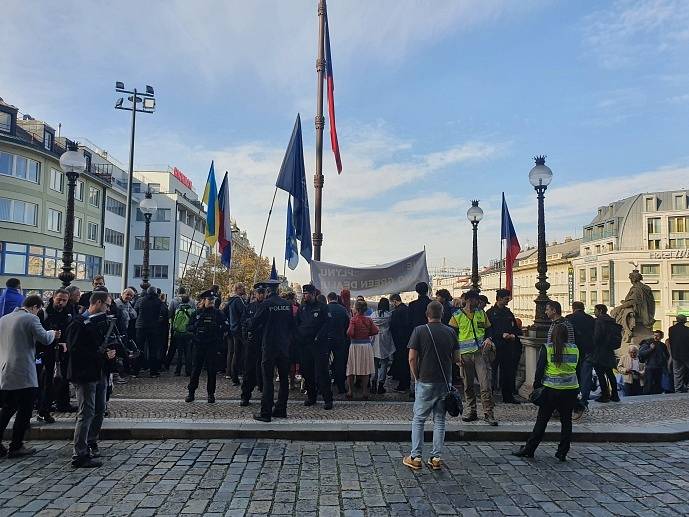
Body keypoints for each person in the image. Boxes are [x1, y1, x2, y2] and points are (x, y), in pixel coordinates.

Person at [402, 301, 458, 471]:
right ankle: (436, 458)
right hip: (444, 381)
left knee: (419, 419)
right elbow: (456, 359)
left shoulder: (419, 330)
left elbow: (412, 358)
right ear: (442, 314)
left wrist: (416, 376)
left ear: (427, 314)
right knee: (439, 419)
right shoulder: (451, 331)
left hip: (425, 380)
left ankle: (416, 456)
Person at [0, 295, 58, 458]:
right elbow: (45, 339)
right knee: (25, 410)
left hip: (5, 369)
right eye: (38, 310)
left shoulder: (4, 319)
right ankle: (16, 445)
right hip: (23, 370)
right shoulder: (31, 319)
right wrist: (53, 332)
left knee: (7, 408)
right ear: (35, 307)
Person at [512, 322, 579, 462]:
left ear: (553, 335)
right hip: (570, 390)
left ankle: (530, 449)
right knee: (566, 422)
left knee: (542, 421)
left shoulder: (548, 348)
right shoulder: (575, 349)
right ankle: (562, 452)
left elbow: (540, 369)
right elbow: (576, 369)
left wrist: (536, 387)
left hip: (551, 390)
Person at [65, 291, 116, 468]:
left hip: (99, 371)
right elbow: (75, 349)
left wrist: (110, 353)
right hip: (85, 373)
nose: (108, 309)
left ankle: (91, 441)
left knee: (100, 409)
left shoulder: (99, 322)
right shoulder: (78, 322)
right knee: (86, 412)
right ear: (98, 302)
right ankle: (79, 453)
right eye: (107, 305)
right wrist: (100, 354)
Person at [449, 290, 497, 426]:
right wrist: (456, 357)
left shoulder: (481, 313)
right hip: (464, 355)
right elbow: (452, 336)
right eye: (477, 300)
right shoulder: (457, 316)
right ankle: (472, 411)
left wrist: (489, 338)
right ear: (470, 300)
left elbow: (489, 329)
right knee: (467, 385)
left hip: (481, 353)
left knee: (485, 384)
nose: (479, 302)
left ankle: (489, 413)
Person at [251, 280, 295, 422]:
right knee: (284, 379)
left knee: (268, 379)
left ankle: (266, 412)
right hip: (284, 346)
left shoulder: (266, 304)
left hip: (269, 345)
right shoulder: (287, 305)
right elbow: (291, 326)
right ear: (278, 289)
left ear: (268, 291)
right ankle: (281, 409)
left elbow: (254, 323)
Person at [185, 291, 228, 403]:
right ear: (204, 300)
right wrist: (196, 326)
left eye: (213, 300)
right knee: (195, 370)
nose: (211, 302)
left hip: (212, 345)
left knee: (212, 371)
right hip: (199, 344)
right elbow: (188, 328)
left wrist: (218, 328)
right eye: (209, 300)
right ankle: (191, 392)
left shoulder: (218, 313)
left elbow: (226, 327)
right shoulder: (197, 313)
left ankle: (211, 394)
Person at [37, 289, 71, 423]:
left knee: (57, 383)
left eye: (64, 300)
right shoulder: (44, 313)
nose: (61, 303)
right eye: (59, 299)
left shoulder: (68, 313)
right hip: (46, 353)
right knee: (45, 383)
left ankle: (47, 408)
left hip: (61, 354)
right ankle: (43, 410)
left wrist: (65, 342)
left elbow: (69, 331)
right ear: (53, 298)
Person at [296, 284, 332, 408]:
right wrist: (298, 337)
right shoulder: (302, 308)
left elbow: (327, 324)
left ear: (313, 294)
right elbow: (297, 324)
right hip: (305, 345)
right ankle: (312, 397)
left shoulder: (322, 307)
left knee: (322, 373)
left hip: (319, 345)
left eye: (307, 294)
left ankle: (328, 399)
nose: (305, 296)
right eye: (304, 293)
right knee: (307, 372)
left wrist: (319, 337)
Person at [486, 289, 521, 404]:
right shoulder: (490, 313)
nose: (508, 301)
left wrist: (513, 335)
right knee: (491, 372)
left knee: (508, 372)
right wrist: (501, 335)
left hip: (507, 346)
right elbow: (488, 330)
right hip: (495, 346)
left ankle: (508, 396)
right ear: (499, 298)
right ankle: (489, 397)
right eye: (506, 299)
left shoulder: (508, 313)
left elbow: (515, 328)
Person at [566, 301, 595, 414]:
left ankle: (573, 400)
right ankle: (584, 401)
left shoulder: (569, 318)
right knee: (586, 377)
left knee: (573, 376)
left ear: (573, 308)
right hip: (588, 351)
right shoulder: (590, 319)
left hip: (573, 351)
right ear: (583, 308)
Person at [346, 300, 379, 400]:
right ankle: (365, 392)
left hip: (355, 345)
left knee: (351, 369)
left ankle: (350, 391)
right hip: (366, 346)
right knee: (365, 370)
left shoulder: (353, 319)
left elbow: (350, 332)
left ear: (356, 309)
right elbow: (375, 331)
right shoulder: (368, 320)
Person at [240, 286, 266, 406]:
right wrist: (245, 337)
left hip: (265, 341)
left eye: (262, 293)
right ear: (255, 294)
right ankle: (245, 395)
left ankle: (265, 393)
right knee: (248, 369)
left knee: (265, 369)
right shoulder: (250, 306)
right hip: (252, 342)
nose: (260, 295)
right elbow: (244, 322)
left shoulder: (268, 306)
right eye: (258, 293)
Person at [591, 304, 621, 403]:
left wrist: (593, 344)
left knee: (600, 374)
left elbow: (597, 337)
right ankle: (615, 395)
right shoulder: (611, 321)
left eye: (595, 310)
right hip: (609, 351)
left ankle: (605, 395)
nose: (594, 312)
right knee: (610, 373)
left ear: (600, 311)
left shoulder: (599, 321)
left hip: (600, 351)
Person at [134, 286, 164, 377]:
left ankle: (136, 371)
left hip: (141, 326)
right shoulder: (158, 302)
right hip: (153, 327)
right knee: (153, 350)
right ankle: (153, 372)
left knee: (139, 349)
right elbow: (161, 314)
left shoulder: (141, 300)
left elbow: (135, 311)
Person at [327, 291, 350, 395]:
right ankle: (341, 387)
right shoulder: (343, 310)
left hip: (327, 339)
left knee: (324, 363)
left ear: (328, 299)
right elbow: (347, 325)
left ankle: (325, 387)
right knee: (340, 363)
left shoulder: (325, 309)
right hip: (340, 339)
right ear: (336, 299)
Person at [224, 283, 248, 386]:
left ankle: (231, 373)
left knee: (233, 352)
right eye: (243, 288)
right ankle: (236, 375)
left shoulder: (231, 300)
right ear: (238, 289)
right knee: (239, 353)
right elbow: (244, 313)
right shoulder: (238, 300)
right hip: (238, 329)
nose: (244, 289)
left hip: (232, 328)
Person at [370, 297, 395, 394]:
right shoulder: (389, 315)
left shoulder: (373, 315)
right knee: (384, 362)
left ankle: (373, 384)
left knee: (374, 363)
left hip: (374, 339)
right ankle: (381, 384)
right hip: (385, 339)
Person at [166, 294, 195, 376]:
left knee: (180, 352)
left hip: (178, 333)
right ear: (189, 301)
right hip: (188, 333)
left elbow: (174, 321)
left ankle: (177, 371)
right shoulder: (192, 310)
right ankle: (188, 371)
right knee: (188, 352)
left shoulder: (178, 309)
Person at [390, 293, 413, 393]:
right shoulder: (408, 309)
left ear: (395, 301)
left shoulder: (396, 312)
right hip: (408, 339)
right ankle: (408, 382)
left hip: (399, 341)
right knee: (407, 362)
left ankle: (402, 385)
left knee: (401, 362)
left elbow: (393, 327)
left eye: (392, 302)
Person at [639, 330, 669, 395]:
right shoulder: (648, 343)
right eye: (655, 335)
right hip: (650, 367)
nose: (656, 337)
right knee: (648, 385)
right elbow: (641, 353)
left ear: (661, 337)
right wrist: (651, 349)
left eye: (658, 336)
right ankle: (646, 399)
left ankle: (656, 400)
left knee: (658, 385)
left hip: (659, 367)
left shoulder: (662, 345)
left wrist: (665, 366)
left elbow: (666, 356)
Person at [669, 314, 689, 393]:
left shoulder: (671, 329)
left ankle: (678, 390)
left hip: (675, 355)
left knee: (677, 373)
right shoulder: (687, 330)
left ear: (677, 320)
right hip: (687, 355)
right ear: (685, 320)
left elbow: (671, 342)